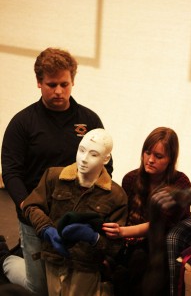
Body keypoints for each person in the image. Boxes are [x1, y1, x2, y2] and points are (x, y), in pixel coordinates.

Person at [1, 47, 113, 295]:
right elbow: (10, 172)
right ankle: (5, 259)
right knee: (40, 289)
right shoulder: (22, 123)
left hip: (74, 215)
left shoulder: (89, 120)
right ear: (39, 83)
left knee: (69, 282)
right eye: (52, 84)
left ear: (73, 81)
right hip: (33, 216)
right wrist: (28, 209)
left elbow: (107, 167)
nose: (59, 91)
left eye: (65, 83)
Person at [22, 128, 128, 296]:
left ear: (106, 159)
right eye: (81, 150)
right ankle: (7, 259)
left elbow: (115, 246)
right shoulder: (54, 176)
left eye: (93, 154)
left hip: (86, 267)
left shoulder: (116, 195)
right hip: (54, 259)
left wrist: (95, 239)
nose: (84, 159)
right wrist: (46, 229)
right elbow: (30, 206)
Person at [102, 127, 191, 296]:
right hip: (131, 241)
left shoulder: (180, 183)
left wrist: (122, 232)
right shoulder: (130, 179)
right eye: (147, 152)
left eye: (158, 156)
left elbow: (161, 225)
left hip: (163, 243)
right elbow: (123, 214)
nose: (150, 160)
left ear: (170, 159)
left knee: (139, 261)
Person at [151, 187, 191, 296]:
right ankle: (174, 290)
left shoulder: (181, 181)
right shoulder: (131, 178)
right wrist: (183, 195)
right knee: (174, 236)